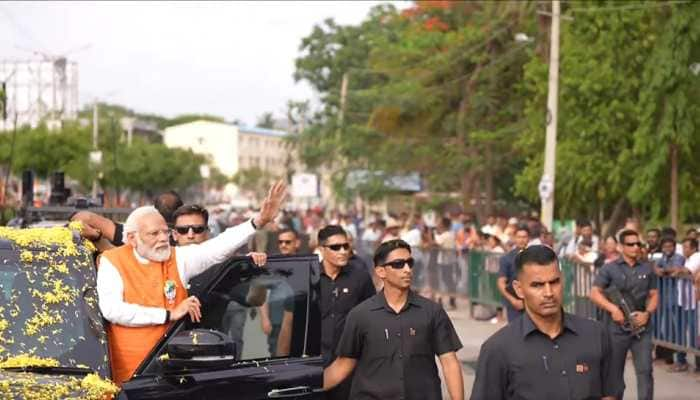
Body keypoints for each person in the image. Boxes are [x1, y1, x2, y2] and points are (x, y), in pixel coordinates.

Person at [96, 181, 286, 385]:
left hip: (174, 372)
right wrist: (169, 314)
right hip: (133, 375)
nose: (163, 239)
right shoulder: (112, 261)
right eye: (154, 234)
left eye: (164, 232)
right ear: (132, 238)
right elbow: (112, 310)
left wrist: (258, 221)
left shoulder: (177, 257)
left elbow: (217, 247)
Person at [324, 239, 464, 400]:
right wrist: (305, 386)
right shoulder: (360, 315)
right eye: (398, 264)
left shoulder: (432, 311)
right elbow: (343, 365)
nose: (407, 269)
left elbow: (449, 362)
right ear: (381, 271)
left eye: (409, 263)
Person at [470, 245, 615, 400]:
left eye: (554, 282)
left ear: (563, 280)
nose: (548, 293)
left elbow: (611, 392)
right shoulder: (497, 349)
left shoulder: (595, 335)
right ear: (519, 289)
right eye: (537, 285)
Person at [172, 203, 269, 358]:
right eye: (183, 230)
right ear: (174, 234)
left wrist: (255, 271)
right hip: (165, 355)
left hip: (209, 357)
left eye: (197, 229)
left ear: (207, 233)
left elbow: (255, 299)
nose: (190, 235)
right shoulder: (159, 263)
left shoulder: (224, 267)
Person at [590, 229, 658, 400]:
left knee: (645, 371)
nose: (635, 247)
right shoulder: (609, 268)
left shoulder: (647, 268)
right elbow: (594, 293)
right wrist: (613, 309)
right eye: (631, 244)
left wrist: (647, 313)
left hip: (641, 328)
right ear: (621, 247)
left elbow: (654, 294)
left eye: (638, 244)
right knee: (614, 375)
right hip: (616, 329)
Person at [319, 225, 376, 400]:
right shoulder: (309, 276)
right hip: (315, 364)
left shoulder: (360, 277)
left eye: (346, 246)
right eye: (336, 247)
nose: (343, 251)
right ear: (322, 249)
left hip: (350, 364)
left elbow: (372, 318)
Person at [71, 190, 184, 250]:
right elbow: (83, 218)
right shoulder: (188, 240)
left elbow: (82, 218)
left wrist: (98, 239)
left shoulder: (182, 252)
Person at [259, 227, 299, 356]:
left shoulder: (305, 263)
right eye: (280, 242)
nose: (283, 245)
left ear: (296, 243)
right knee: (276, 357)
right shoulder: (272, 265)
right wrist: (265, 319)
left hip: (299, 321)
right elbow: (262, 294)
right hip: (276, 321)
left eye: (288, 242)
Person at [667, 238, 700, 373]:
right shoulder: (687, 258)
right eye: (684, 247)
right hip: (683, 301)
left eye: (686, 247)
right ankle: (681, 361)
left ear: (693, 248)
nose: (684, 250)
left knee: (693, 334)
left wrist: (677, 271)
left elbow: (687, 271)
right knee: (680, 332)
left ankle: (694, 364)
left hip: (693, 302)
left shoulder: (697, 256)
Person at [497, 225, 529, 322]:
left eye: (524, 237)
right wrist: (513, 300)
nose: (522, 240)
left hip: (532, 303)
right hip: (515, 305)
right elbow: (501, 282)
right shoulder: (507, 259)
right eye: (519, 237)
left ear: (528, 238)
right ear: (515, 238)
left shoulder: (534, 257)